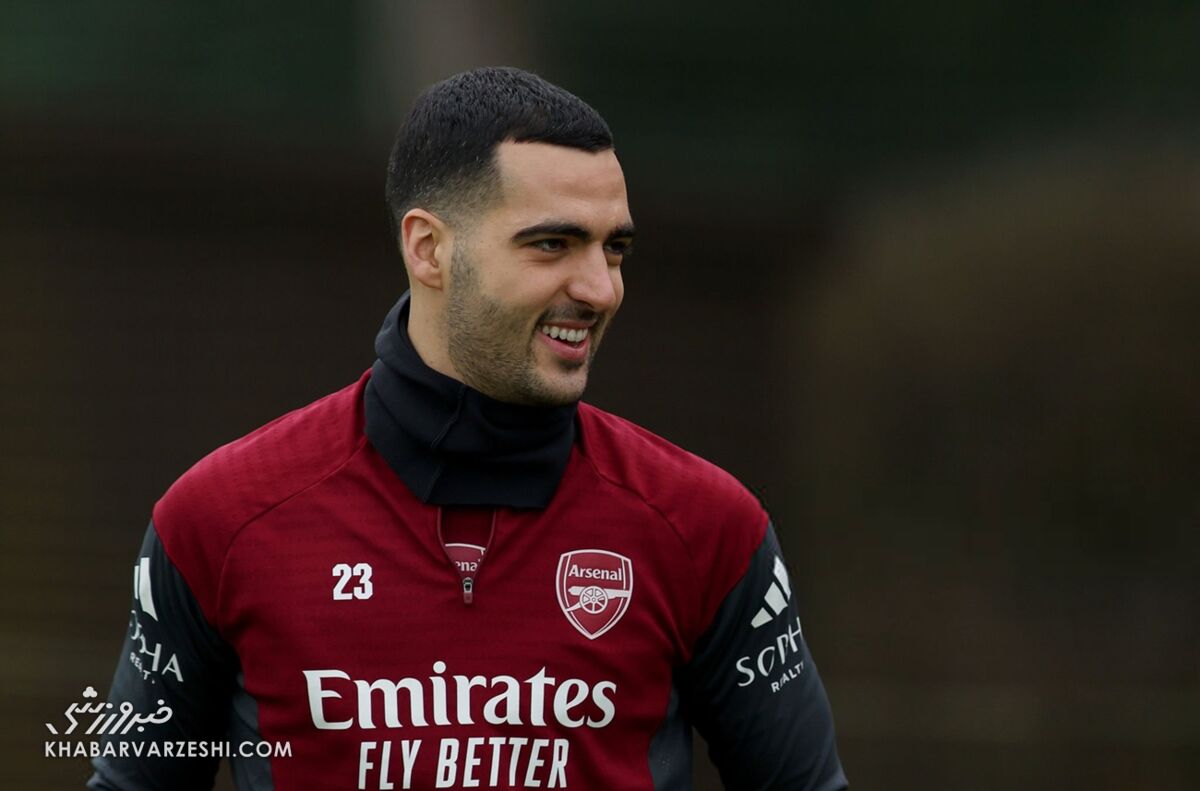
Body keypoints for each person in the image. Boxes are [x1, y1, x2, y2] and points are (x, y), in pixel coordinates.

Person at [89, 66, 847, 790]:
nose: (600, 288)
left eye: (613, 248)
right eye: (552, 243)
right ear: (429, 249)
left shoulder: (706, 527)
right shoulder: (219, 520)